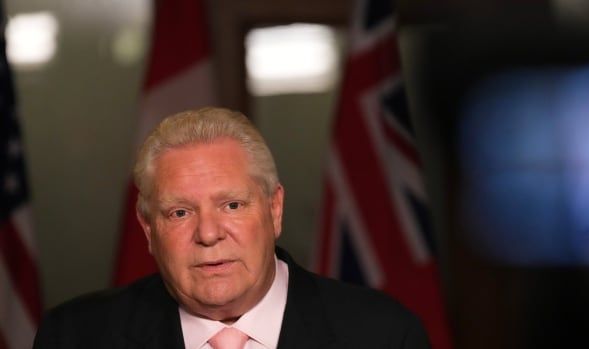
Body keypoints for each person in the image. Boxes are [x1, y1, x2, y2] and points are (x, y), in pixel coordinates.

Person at [33, 107, 431, 348]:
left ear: (274, 209)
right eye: (180, 213)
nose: (209, 234)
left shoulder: (383, 335)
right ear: (148, 229)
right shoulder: (75, 338)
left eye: (233, 205)